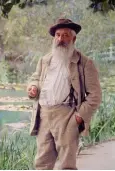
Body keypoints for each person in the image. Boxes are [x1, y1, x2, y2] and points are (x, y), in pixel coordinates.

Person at [27, 18, 102, 170]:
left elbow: (95, 95)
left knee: (66, 164)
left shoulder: (85, 63)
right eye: (58, 35)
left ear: (74, 38)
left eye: (66, 35)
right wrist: (33, 87)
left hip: (67, 116)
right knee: (42, 162)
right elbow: (35, 78)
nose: (61, 39)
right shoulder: (45, 60)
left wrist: (79, 117)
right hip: (44, 115)